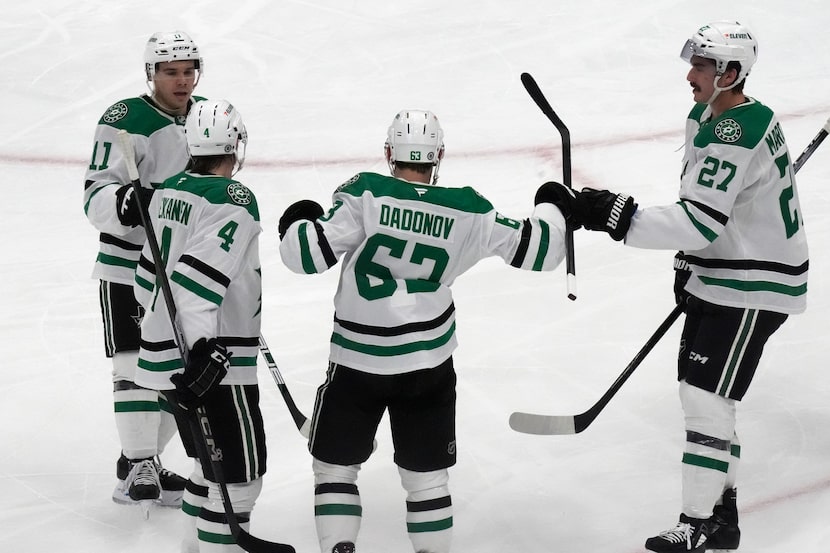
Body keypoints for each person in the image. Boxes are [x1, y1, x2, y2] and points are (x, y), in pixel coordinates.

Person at [278, 109, 574, 553]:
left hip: (357, 361)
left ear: (388, 153)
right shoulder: (468, 208)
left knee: (335, 469)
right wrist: (554, 203)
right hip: (428, 365)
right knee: (427, 479)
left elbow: (302, 255)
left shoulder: (366, 193)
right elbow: (543, 250)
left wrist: (299, 221)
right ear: (437, 156)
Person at [564, 21, 809, 553]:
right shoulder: (707, 116)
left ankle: (696, 521)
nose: (690, 76)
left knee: (704, 398)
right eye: (693, 64)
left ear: (731, 72)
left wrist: (614, 215)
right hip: (724, 270)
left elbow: (700, 219)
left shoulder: (735, 130)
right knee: (708, 399)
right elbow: (703, 218)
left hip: (754, 282)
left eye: (701, 65)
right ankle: (722, 516)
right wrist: (689, 260)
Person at [133, 99, 268, 553]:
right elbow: (195, 286)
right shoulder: (234, 199)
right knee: (238, 483)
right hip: (212, 367)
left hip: (165, 358)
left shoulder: (169, 189)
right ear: (236, 144)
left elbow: (144, 280)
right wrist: (202, 354)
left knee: (206, 472)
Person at [82, 30, 206, 509]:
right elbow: (94, 195)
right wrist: (128, 204)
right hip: (126, 264)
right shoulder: (125, 120)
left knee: (178, 371)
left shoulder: (207, 114)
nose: (181, 80)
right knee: (133, 363)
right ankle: (138, 462)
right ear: (151, 73)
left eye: (188, 70)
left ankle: (138, 462)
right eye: (170, 72)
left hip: (180, 266)